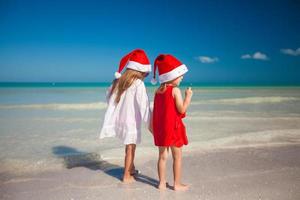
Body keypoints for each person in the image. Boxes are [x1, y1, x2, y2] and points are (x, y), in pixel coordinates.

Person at [99, 49, 152, 183]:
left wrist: (118, 109)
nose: (145, 76)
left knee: (128, 146)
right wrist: (150, 123)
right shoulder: (138, 84)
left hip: (122, 119)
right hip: (131, 121)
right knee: (131, 147)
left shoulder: (118, 81)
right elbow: (144, 105)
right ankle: (127, 175)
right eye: (145, 73)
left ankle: (131, 168)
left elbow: (108, 96)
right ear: (140, 70)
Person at [151, 54, 193, 191]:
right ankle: (177, 184)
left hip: (162, 129)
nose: (182, 78)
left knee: (162, 157)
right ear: (171, 76)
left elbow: (155, 112)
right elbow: (181, 110)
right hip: (174, 129)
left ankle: (161, 183)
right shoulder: (175, 90)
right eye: (180, 75)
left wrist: (153, 128)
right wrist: (188, 97)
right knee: (177, 157)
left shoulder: (157, 92)